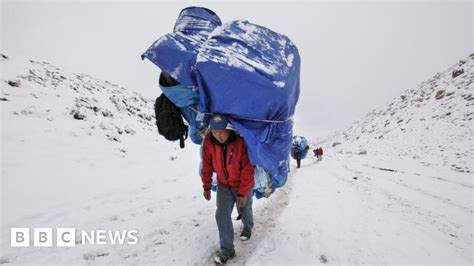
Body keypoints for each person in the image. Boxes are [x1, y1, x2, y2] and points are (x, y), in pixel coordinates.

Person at [200, 115, 255, 264]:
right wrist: (206, 186)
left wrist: (243, 193)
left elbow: (248, 169)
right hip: (224, 184)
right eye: (215, 132)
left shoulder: (241, 142)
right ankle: (227, 250)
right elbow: (206, 165)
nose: (218, 135)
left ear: (230, 129)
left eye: (222, 131)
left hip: (242, 183)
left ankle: (248, 226)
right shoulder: (209, 143)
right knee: (221, 215)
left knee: (244, 208)